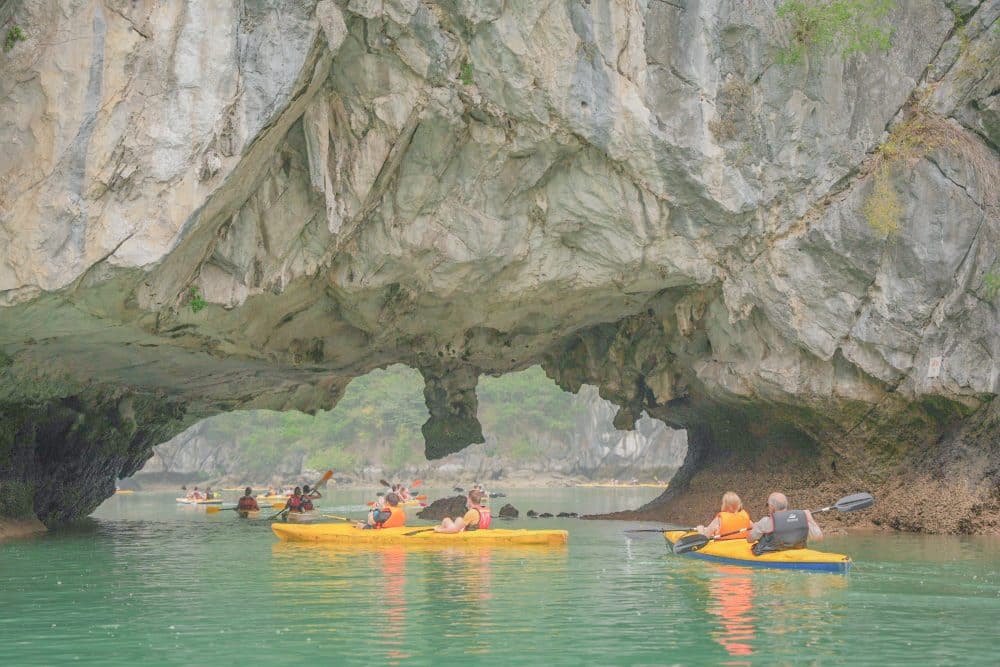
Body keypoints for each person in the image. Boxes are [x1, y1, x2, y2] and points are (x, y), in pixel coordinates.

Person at [747, 492, 823, 555]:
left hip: (771, 555)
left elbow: (749, 540)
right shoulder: (801, 519)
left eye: (768, 505)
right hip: (797, 553)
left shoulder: (765, 522)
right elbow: (819, 538)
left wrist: (756, 527)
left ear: (772, 507)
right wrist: (810, 519)